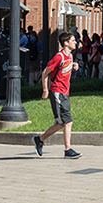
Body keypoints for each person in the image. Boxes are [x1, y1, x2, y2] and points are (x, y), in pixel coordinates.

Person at [33, 31, 81, 159]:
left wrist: (74, 64)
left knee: (60, 124)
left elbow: (66, 68)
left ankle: (40, 140)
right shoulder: (58, 57)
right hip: (57, 92)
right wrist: (45, 90)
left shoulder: (69, 56)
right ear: (66, 43)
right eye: (73, 40)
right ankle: (68, 149)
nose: (76, 42)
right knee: (68, 121)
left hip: (65, 93)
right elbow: (45, 73)